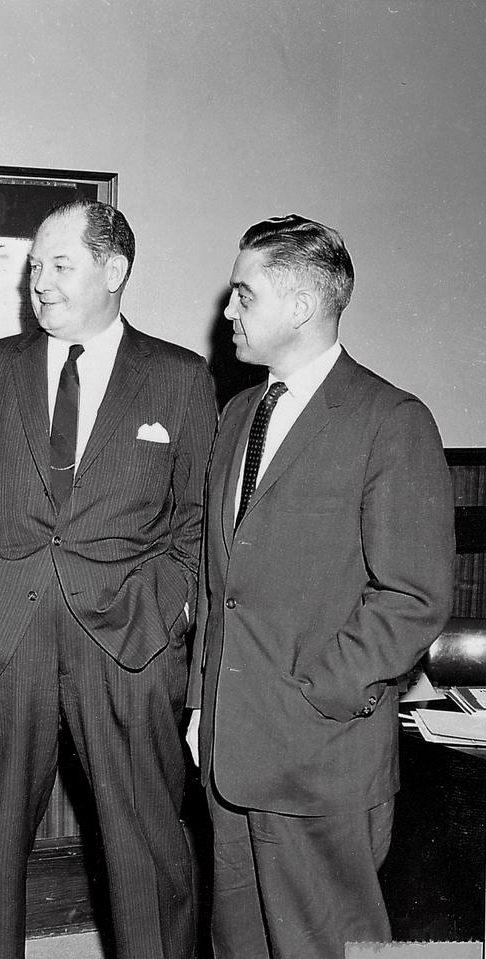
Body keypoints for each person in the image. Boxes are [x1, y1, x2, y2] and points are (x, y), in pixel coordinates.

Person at [0, 195, 216, 959]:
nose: (41, 282)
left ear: (115, 269)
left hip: (129, 644)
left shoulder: (181, 378)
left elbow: (195, 523)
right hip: (3, 638)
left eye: (61, 264)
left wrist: (165, 614)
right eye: (35, 267)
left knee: (147, 846)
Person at [186, 214, 455, 959]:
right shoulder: (239, 413)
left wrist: (322, 693)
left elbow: (414, 594)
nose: (228, 310)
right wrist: (203, 700)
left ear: (301, 306)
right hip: (230, 755)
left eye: (244, 295)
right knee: (237, 943)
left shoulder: (391, 421)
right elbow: (221, 580)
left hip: (321, 753)